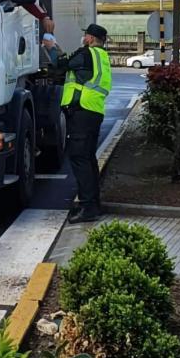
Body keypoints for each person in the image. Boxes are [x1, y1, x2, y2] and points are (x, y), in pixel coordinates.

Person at [61, 24, 112, 224]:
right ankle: (93, 204)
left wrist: (51, 47)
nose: (83, 38)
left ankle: (88, 207)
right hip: (94, 111)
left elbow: (62, 65)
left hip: (82, 111)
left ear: (90, 38)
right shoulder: (101, 56)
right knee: (88, 159)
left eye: (85, 35)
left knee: (80, 158)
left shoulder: (86, 54)